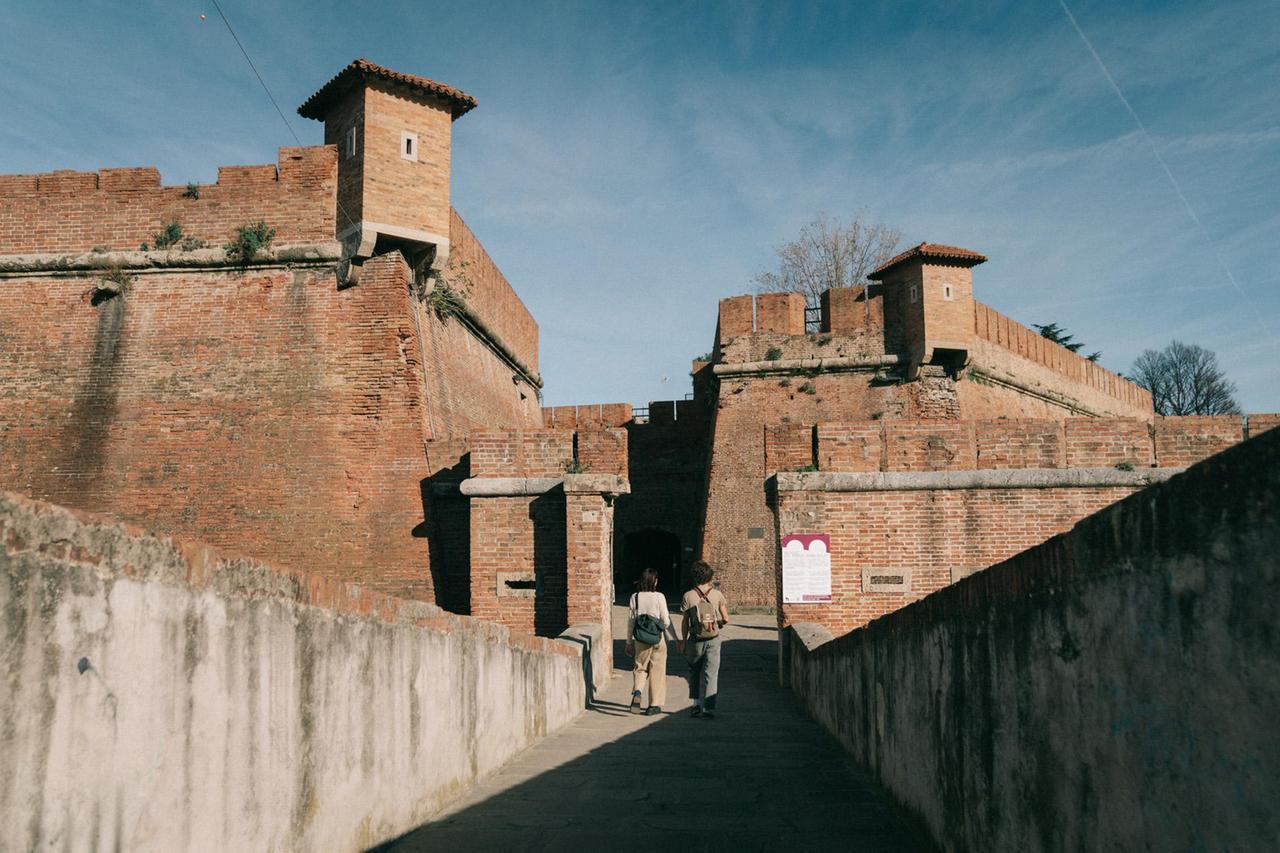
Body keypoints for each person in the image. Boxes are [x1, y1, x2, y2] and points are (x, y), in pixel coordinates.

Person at [625, 568, 678, 716]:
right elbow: (666, 621)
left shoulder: (635, 597)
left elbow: (631, 622)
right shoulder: (659, 597)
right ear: (654, 581)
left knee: (640, 667)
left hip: (640, 639)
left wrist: (629, 642)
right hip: (657, 639)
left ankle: (637, 691)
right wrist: (676, 638)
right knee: (657, 671)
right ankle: (653, 705)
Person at [681, 560, 728, 719]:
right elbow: (726, 618)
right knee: (711, 673)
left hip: (695, 639)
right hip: (713, 639)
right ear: (709, 576)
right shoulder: (717, 594)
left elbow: (685, 621)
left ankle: (695, 704)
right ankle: (708, 708)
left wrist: (683, 640)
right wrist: (717, 624)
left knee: (694, 671)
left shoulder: (688, 595)